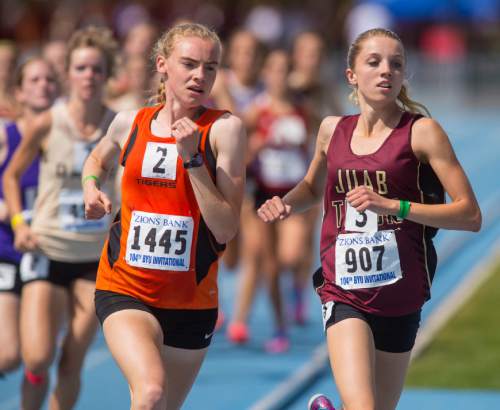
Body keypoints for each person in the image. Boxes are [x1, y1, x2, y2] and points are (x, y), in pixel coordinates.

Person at [257, 28, 481, 410]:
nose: (386, 72)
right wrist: (286, 203)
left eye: (396, 64)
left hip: (402, 293)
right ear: (351, 75)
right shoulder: (332, 130)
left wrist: (396, 207)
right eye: (374, 62)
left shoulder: (422, 133)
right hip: (343, 290)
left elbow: (470, 215)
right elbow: (313, 188)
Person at [82, 22, 245, 410]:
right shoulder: (130, 122)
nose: (199, 76)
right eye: (189, 64)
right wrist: (90, 186)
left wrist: (192, 158)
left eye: (210, 67)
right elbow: (97, 158)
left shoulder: (225, 130)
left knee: (160, 404)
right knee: (151, 390)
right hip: (125, 287)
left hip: (191, 303)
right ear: (162, 65)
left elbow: (226, 228)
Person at [3, 26, 118, 410]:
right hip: (48, 251)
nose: (89, 76)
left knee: (72, 359)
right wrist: (19, 223)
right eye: (81, 68)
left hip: (94, 260)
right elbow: (11, 175)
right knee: (36, 359)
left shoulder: (120, 126)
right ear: (68, 73)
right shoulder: (48, 122)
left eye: (97, 69)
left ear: (107, 75)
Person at [227, 49, 310, 353]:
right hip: (263, 196)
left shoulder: (304, 109)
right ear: (266, 74)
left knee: (291, 255)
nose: (279, 75)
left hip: (295, 197)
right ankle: (280, 327)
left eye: (285, 69)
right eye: (273, 69)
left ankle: (295, 292)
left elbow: (321, 147)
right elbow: (237, 151)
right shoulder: (256, 111)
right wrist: (257, 147)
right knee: (270, 265)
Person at [0, 58, 59, 376]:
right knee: (8, 356)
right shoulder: (6, 136)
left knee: (39, 360)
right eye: (34, 80)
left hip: (53, 255)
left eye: (49, 79)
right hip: (8, 250)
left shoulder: (68, 136)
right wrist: (7, 210)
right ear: (18, 93)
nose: (42, 86)